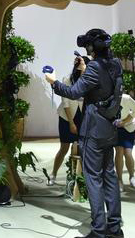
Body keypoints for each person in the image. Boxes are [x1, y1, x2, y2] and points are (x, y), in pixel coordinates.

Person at [45, 28, 123, 238]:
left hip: (93, 130)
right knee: (109, 176)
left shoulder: (94, 68)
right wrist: (86, 67)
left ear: (91, 48)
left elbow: (73, 92)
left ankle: (98, 230)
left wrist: (53, 82)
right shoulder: (115, 64)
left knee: (93, 179)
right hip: (109, 128)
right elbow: (102, 84)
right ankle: (115, 229)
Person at [49, 53, 86, 185]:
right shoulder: (67, 80)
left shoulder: (89, 81)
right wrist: (71, 123)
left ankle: (77, 177)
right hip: (67, 117)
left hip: (82, 116)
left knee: (81, 148)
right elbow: (65, 104)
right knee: (64, 147)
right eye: (81, 65)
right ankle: (53, 174)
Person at [113, 93, 135, 190]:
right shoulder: (108, 98)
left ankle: (132, 177)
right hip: (115, 127)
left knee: (128, 153)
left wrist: (124, 121)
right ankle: (119, 180)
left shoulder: (126, 98)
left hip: (128, 126)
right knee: (119, 151)